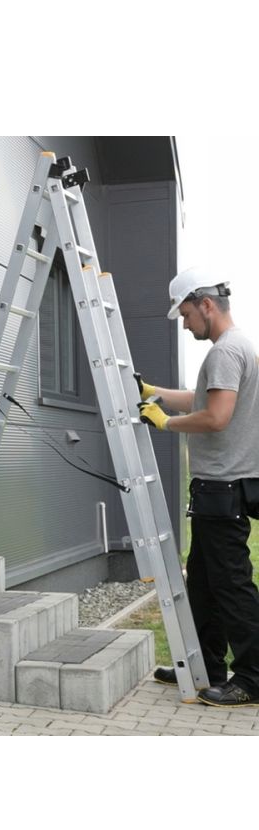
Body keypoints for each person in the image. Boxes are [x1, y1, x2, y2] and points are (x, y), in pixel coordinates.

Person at [138, 266, 259, 706]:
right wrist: (153, 392)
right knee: (205, 587)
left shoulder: (226, 351)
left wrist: (165, 423)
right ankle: (206, 668)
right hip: (218, 490)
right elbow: (202, 399)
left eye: (187, 314)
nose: (186, 324)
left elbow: (216, 416)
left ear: (206, 304)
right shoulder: (236, 347)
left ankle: (253, 679)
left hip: (223, 489)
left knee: (231, 586)